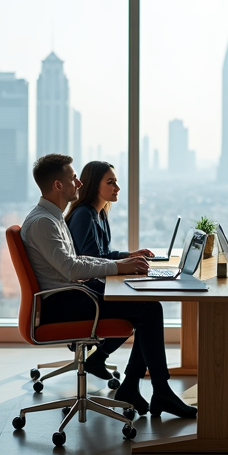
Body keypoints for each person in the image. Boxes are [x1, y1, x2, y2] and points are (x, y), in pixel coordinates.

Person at [20, 153, 196, 419]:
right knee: (149, 310)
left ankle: (137, 387)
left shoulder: (51, 217)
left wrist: (123, 261)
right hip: (63, 304)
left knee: (145, 308)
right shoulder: (44, 222)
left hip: (71, 297)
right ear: (58, 185)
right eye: (72, 178)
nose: (78, 184)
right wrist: (117, 266)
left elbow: (77, 259)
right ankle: (154, 389)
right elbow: (71, 268)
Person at [65, 161, 155, 379]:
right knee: (143, 307)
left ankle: (101, 358)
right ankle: (101, 357)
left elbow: (103, 252)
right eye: (111, 182)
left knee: (143, 305)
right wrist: (125, 262)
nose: (117, 187)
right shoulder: (84, 215)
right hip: (85, 290)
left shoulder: (100, 213)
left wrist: (128, 255)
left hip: (96, 283)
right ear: (95, 185)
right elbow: (90, 260)